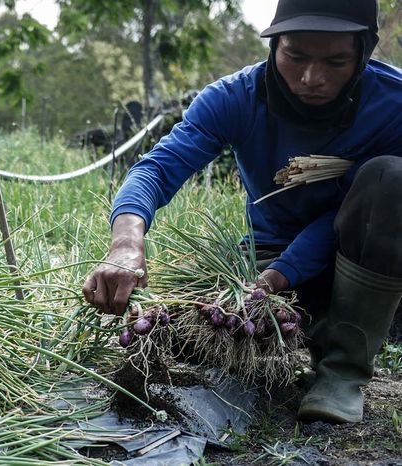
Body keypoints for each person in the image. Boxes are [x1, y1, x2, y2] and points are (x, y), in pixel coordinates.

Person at [83, 0, 402, 424]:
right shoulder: (235, 97)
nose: (311, 78)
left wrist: (282, 273)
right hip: (266, 257)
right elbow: (157, 169)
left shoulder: (393, 104)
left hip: (363, 257)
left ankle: (342, 371)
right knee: (195, 330)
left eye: (336, 61)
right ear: (274, 45)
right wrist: (125, 243)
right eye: (296, 56)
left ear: (364, 53)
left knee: (391, 177)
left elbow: (342, 219)